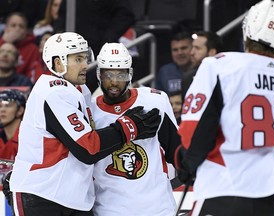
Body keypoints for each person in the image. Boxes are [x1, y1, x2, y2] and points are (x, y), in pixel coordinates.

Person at [8, 32, 161, 216]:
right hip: (42, 194)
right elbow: (88, 148)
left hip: (74, 197)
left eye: (85, 57)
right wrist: (129, 127)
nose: (85, 65)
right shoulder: (53, 92)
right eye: (78, 59)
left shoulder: (80, 90)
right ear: (58, 63)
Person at [175, 0, 274, 215]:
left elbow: (195, 131)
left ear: (246, 30)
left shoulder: (220, 65)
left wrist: (187, 164)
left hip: (225, 187)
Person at [91, 42, 180, 216]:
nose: (114, 82)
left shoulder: (154, 101)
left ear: (130, 74)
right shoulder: (90, 111)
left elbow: (176, 151)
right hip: (109, 210)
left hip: (157, 209)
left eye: (121, 75)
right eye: (108, 74)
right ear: (99, 75)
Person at [181, 30, 224, 98]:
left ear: (212, 52)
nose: (191, 53)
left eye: (197, 48)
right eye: (192, 47)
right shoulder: (188, 78)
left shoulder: (225, 77)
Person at [0, 12, 41, 79]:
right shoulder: (1, 43)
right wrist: (4, 42)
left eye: (21, 26)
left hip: (22, 84)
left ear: (26, 31)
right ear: (6, 28)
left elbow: (32, 74)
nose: (17, 29)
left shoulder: (33, 49)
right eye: (13, 25)